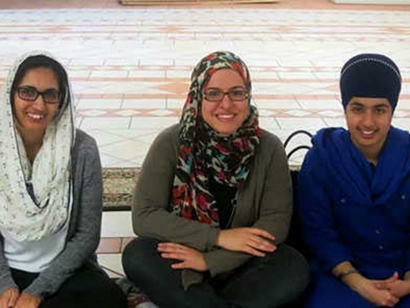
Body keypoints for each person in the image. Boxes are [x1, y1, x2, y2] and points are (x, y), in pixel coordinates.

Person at [122, 50, 309, 308]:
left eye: (237, 92)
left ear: (248, 94)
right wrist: (218, 238)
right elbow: (144, 216)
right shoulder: (172, 142)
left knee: (292, 264)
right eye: (213, 93)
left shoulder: (269, 148)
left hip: (242, 264)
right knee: (138, 254)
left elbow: (275, 223)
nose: (226, 104)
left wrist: (211, 261)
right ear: (198, 96)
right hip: (182, 262)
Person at [0, 51, 127, 308]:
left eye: (50, 95)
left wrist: (37, 290)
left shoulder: (82, 149)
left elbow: (86, 235)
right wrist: (4, 284)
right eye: (27, 92)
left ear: (62, 100)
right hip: (5, 270)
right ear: (11, 95)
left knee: (108, 300)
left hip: (62, 272)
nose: (38, 104)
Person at [298, 53, 410, 307]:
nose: (368, 122)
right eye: (357, 109)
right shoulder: (322, 158)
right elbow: (319, 232)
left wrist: (407, 283)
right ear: (345, 108)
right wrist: (359, 283)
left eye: (379, 110)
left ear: (392, 110)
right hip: (342, 274)